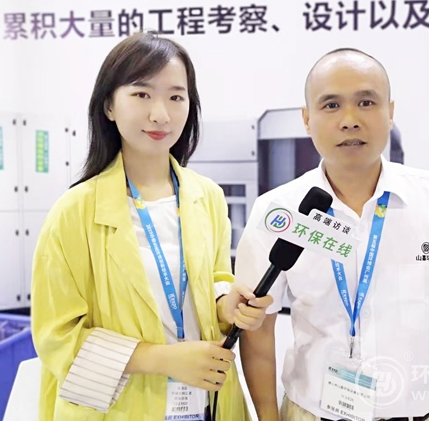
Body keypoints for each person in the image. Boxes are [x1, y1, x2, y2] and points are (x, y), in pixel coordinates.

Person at [236, 48, 429, 421]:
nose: (350, 120)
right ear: (307, 119)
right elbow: (259, 326)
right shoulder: (278, 211)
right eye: (331, 105)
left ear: (390, 112)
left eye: (366, 102)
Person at [30, 32, 272, 421]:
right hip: (119, 410)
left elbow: (214, 280)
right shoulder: (73, 212)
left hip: (207, 402)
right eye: (142, 94)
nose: (160, 114)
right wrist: (161, 359)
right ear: (109, 105)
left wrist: (227, 305)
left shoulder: (207, 196)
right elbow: (55, 337)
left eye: (176, 97)